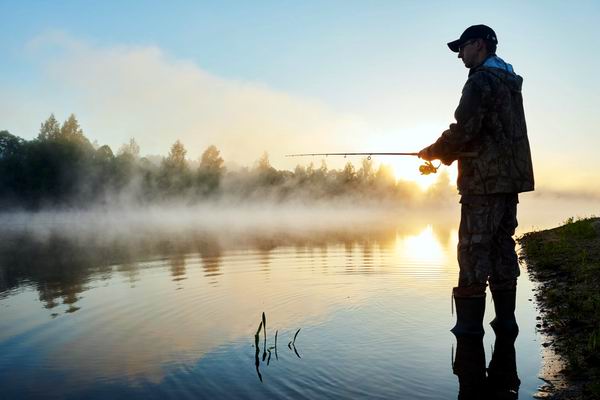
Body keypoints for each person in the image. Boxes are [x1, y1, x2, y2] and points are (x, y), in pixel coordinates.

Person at [418, 25, 534, 337]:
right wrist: (448, 154)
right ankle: (505, 323)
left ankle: (468, 331)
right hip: (510, 179)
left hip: (483, 181)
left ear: (479, 45)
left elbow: (465, 128)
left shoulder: (481, 79)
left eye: (462, 47)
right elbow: (490, 132)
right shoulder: (510, 82)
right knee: (501, 246)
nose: (459, 55)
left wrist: (433, 151)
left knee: (472, 248)